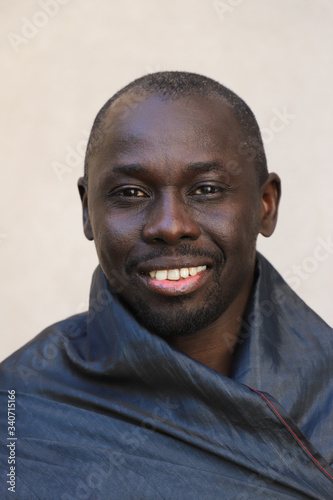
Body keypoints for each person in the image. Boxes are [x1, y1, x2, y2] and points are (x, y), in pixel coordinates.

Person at [1, 72, 332, 499]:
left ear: (266, 205)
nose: (170, 226)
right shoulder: (21, 405)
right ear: (87, 210)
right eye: (131, 193)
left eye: (207, 189)